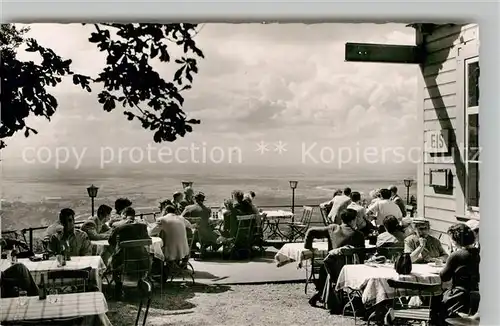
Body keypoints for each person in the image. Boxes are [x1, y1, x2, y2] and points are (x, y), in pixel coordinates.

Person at [304, 209, 365, 308]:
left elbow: (311, 231)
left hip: (330, 268)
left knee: (324, 268)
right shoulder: (358, 235)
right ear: (353, 220)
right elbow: (361, 256)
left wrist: (309, 247)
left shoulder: (332, 228)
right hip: (348, 272)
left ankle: (321, 293)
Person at [431, 223, 480, 324]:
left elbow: (444, 276)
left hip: (459, 296)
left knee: (435, 300)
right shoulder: (479, 253)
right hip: (477, 295)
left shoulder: (456, 255)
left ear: (456, 240)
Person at [108, 206, 151, 299]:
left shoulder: (117, 225)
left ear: (124, 215)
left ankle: (118, 286)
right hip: (141, 259)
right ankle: (140, 281)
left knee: (113, 258)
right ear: (134, 215)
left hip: (123, 260)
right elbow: (148, 239)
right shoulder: (142, 225)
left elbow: (111, 241)